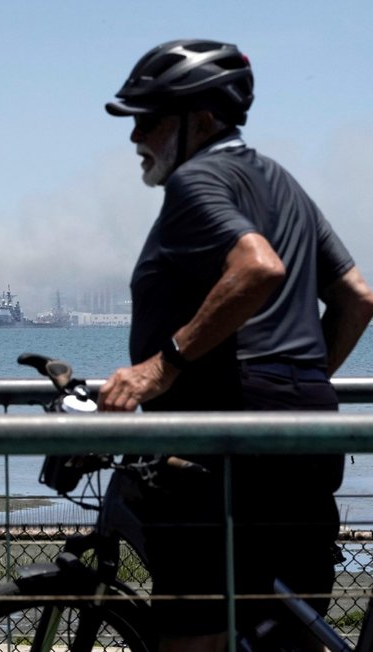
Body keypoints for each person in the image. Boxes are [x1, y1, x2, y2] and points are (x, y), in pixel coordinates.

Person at [97, 39, 373, 652]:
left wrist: (157, 369)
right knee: (285, 635)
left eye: (149, 118)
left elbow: (258, 267)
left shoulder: (197, 181)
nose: (135, 136)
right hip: (307, 441)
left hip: (219, 456)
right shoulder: (283, 183)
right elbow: (357, 299)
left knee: (195, 638)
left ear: (200, 121)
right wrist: (295, 385)